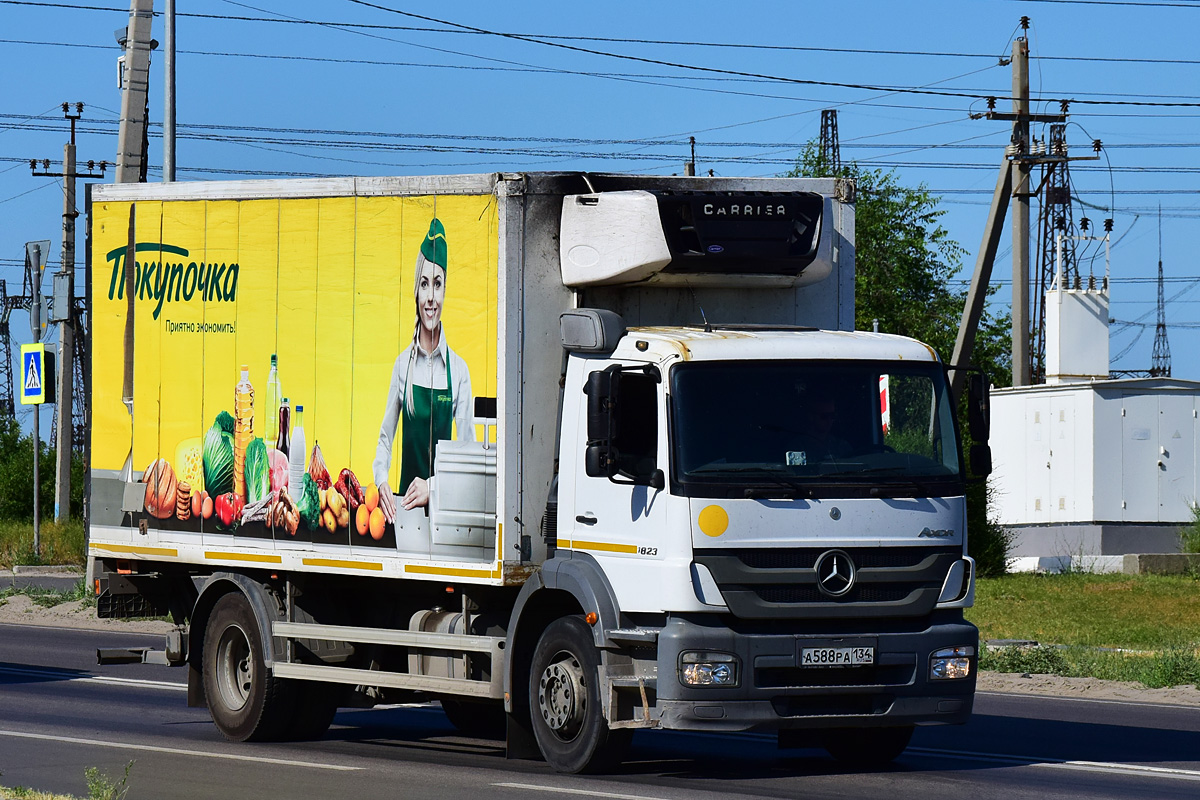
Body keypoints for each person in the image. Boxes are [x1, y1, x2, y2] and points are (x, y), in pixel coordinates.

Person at [373, 218, 473, 522]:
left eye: (438, 284)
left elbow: (468, 458)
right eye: (425, 284)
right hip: (403, 513)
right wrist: (381, 482)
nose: (431, 297)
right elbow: (385, 438)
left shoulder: (458, 371)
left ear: (445, 292)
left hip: (446, 514)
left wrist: (433, 487)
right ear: (416, 292)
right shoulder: (403, 365)